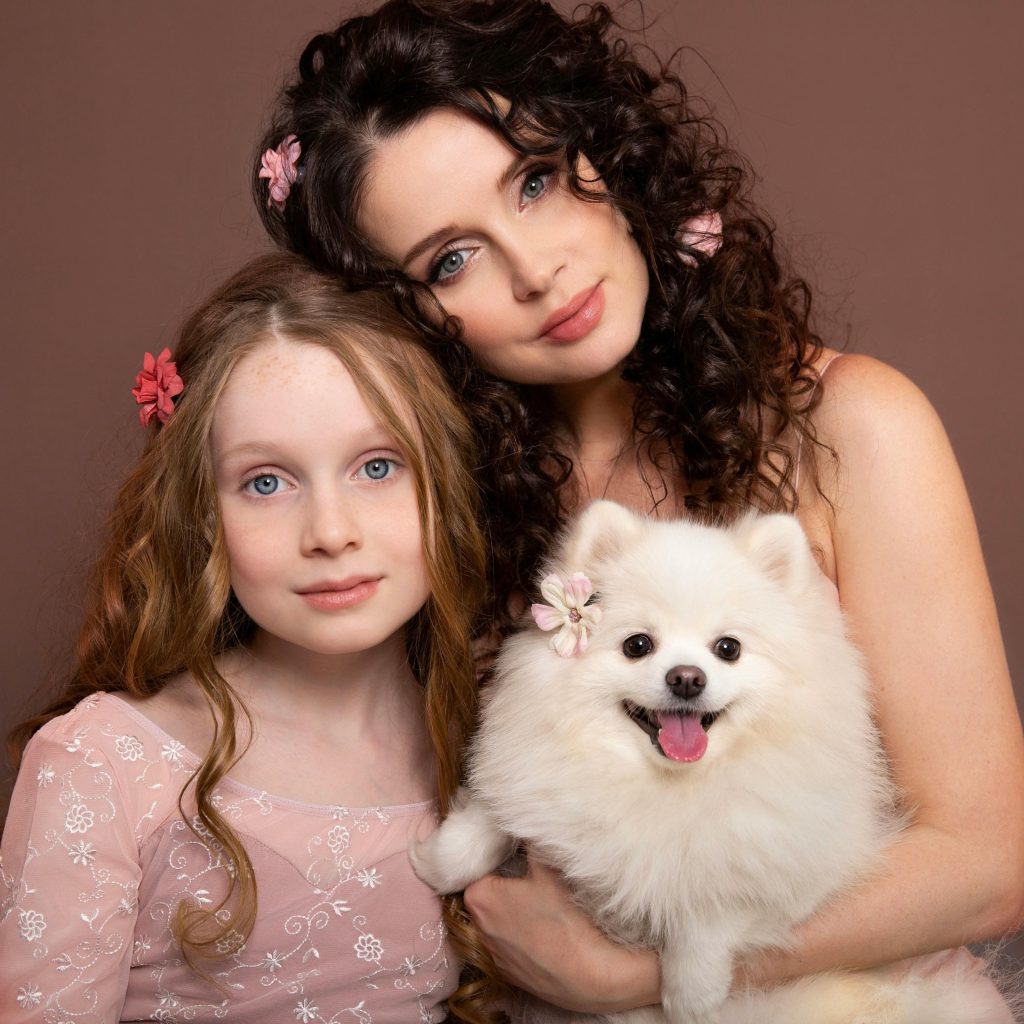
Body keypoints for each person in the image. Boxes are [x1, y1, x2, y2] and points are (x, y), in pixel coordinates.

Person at [251, 0, 1024, 1019]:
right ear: (407, 317)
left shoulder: (850, 426)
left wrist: (649, 973)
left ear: (605, 151)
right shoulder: (429, 502)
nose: (536, 270)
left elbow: (991, 857)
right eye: (451, 258)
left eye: (533, 182)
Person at [0, 253, 487, 1022]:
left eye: (378, 466)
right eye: (266, 482)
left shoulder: (490, 751)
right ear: (201, 514)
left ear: (447, 477)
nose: (330, 532)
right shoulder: (104, 766)